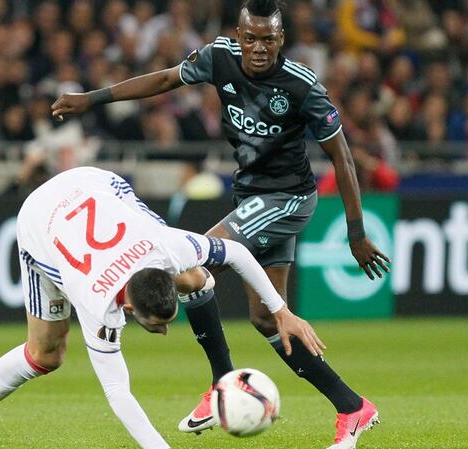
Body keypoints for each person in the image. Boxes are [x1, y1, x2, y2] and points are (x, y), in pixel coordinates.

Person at [51, 1, 389, 448]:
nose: (259, 48)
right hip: (251, 195)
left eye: (268, 39)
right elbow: (167, 78)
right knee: (268, 320)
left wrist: (356, 232)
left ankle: (220, 382)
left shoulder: (303, 87)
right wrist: (91, 99)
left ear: (281, 39)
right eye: (251, 38)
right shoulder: (219, 55)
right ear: (239, 33)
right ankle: (353, 407)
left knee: (195, 266)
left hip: (286, 199)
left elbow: (342, 156)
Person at [0, 166, 325, 449]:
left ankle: (217, 380)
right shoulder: (98, 307)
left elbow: (238, 253)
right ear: (126, 309)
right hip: (40, 222)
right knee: (47, 354)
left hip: (92, 183)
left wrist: (281, 310)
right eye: (156, 326)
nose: (164, 332)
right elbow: (118, 393)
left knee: (195, 277)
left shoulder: (168, 246)